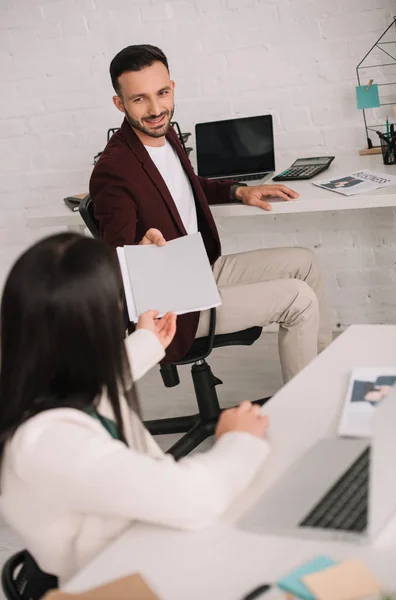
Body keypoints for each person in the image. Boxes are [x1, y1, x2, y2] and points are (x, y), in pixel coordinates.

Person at [0, 233, 270, 583]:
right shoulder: (50, 444)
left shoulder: (33, 385)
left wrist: (146, 341)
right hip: (117, 578)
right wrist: (237, 438)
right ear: (92, 329)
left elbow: (91, 387)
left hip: (135, 550)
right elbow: (195, 499)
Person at [90, 44, 332, 383]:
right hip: (175, 306)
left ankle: (323, 374)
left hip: (204, 269)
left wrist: (238, 190)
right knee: (299, 299)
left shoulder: (164, 132)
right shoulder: (115, 169)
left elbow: (190, 185)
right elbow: (114, 260)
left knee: (305, 261)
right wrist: (137, 251)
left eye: (161, 93)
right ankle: (307, 405)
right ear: (120, 103)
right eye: (140, 99)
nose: (156, 108)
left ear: (172, 88)